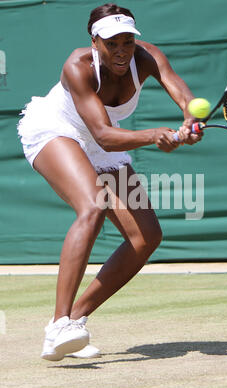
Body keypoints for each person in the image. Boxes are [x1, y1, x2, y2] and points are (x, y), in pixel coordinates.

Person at [17, 3, 203, 361]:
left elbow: (185, 96)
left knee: (146, 236)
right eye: (111, 42)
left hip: (101, 141)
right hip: (58, 131)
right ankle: (58, 324)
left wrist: (191, 122)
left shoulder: (147, 57)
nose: (121, 50)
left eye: (127, 42)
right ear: (94, 42)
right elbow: (103, 135)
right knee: (92, 205)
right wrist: (154, 135)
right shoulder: (78, 65)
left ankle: (74, 321)